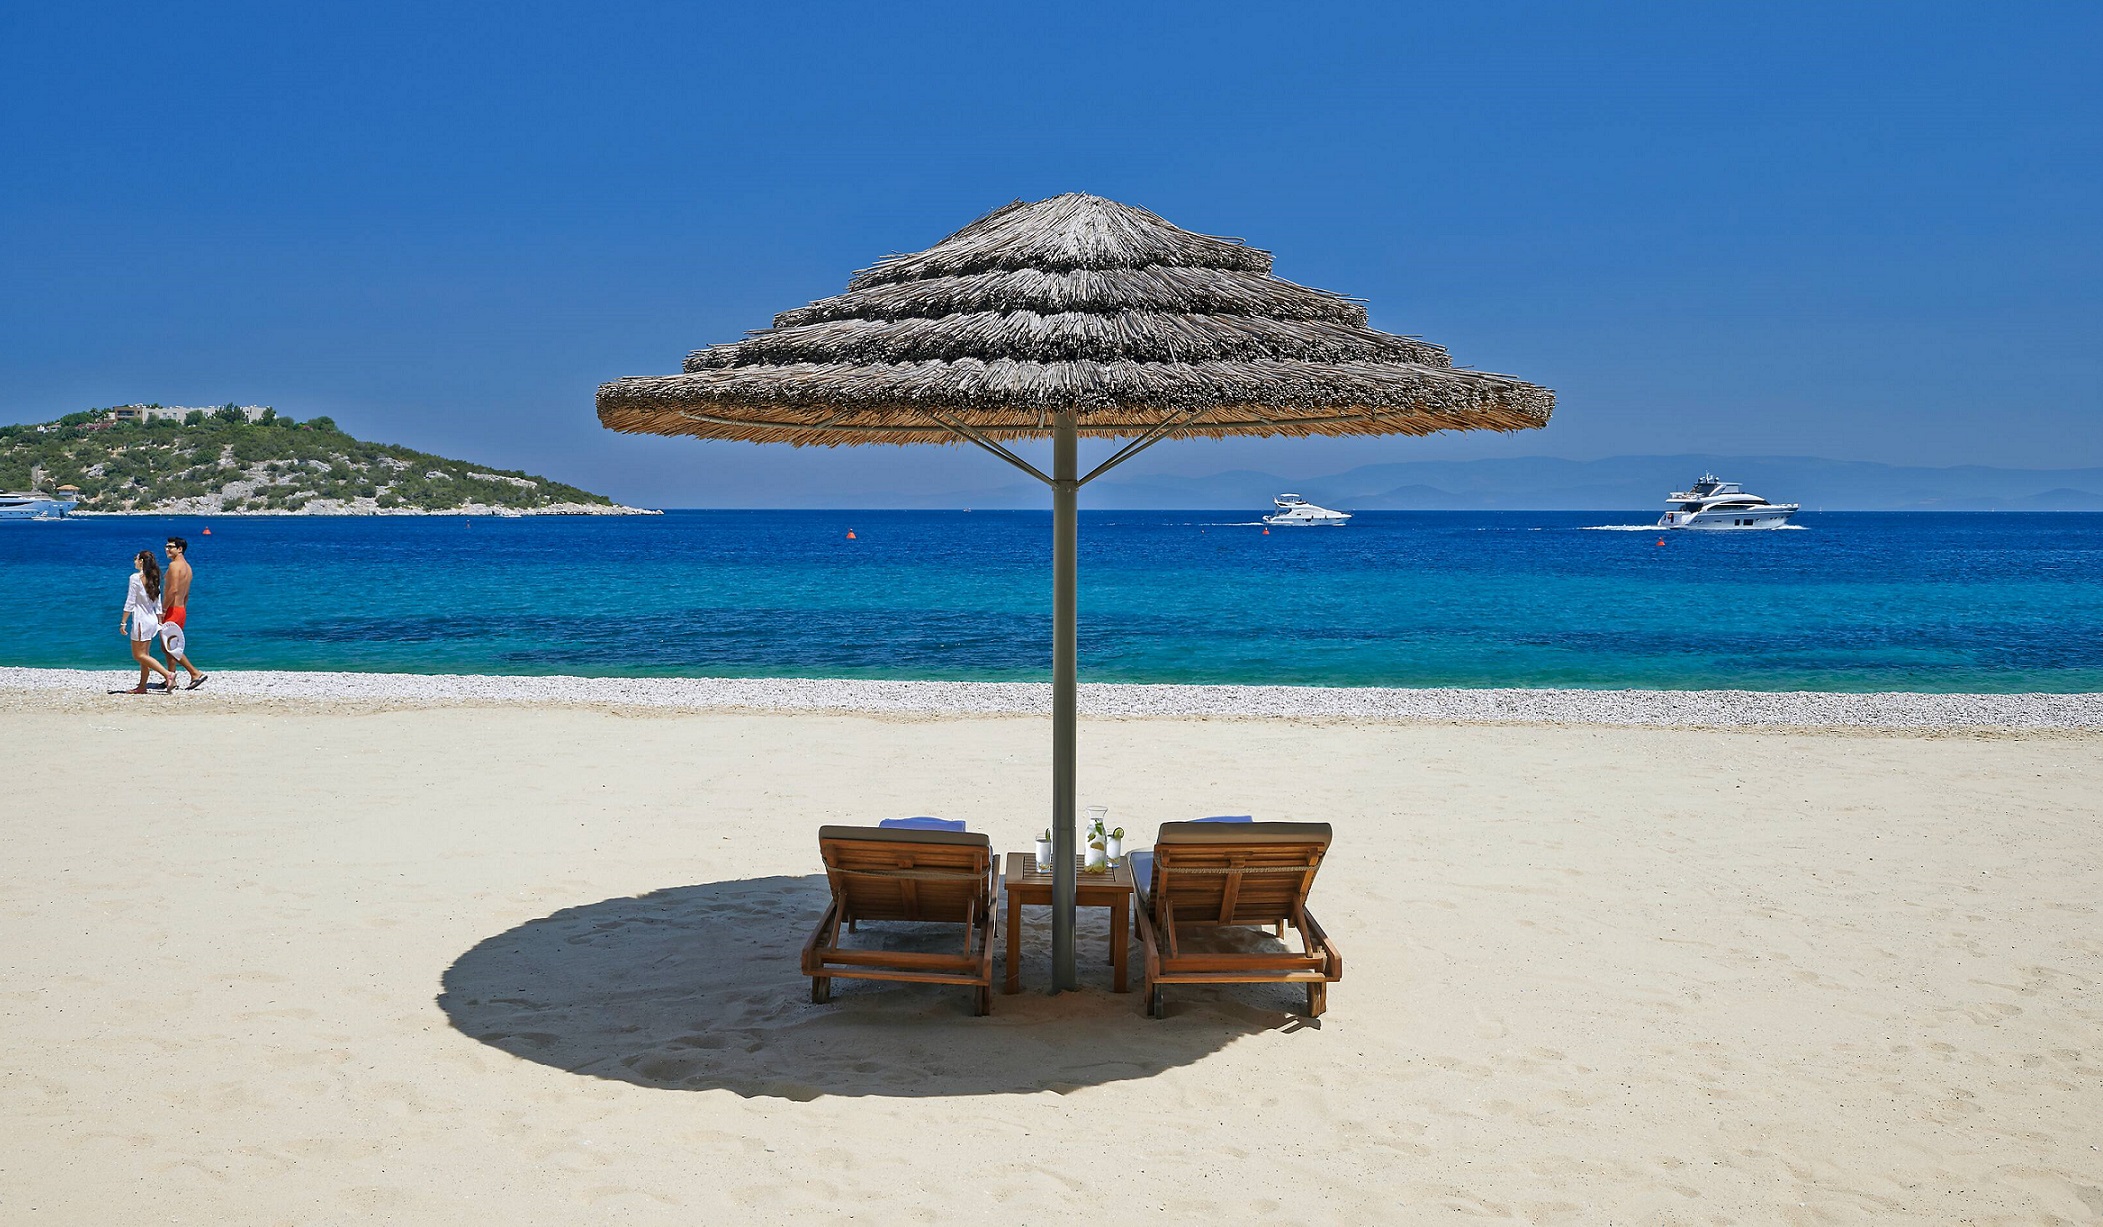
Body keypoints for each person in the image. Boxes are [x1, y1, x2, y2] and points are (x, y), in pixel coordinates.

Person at [120, 551, 177, 695]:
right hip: (152, 621)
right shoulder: (154, 578)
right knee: (144, 654)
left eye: (136, 559)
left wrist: (123, 622)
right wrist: (159, 621)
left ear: (142, 561)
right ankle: (142, 686)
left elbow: (130, 601)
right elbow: (158, 603)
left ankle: (167, 674)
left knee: (138, 655)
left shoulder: (135, 578)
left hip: (141, 621)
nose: (134, 561)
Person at [159, 536, 207, 689]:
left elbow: (172, 590)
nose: (167, 549)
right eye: (166, 546)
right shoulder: (188, 567)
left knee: (168, 646)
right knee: (171, 643)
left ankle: (194, 673)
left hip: (172, 609)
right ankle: (171, 678)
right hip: (181, 610)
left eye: (170, 547)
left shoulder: (174, 566)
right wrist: (182, 609)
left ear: (180, 549)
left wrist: (163, 610)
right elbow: (186, 594)